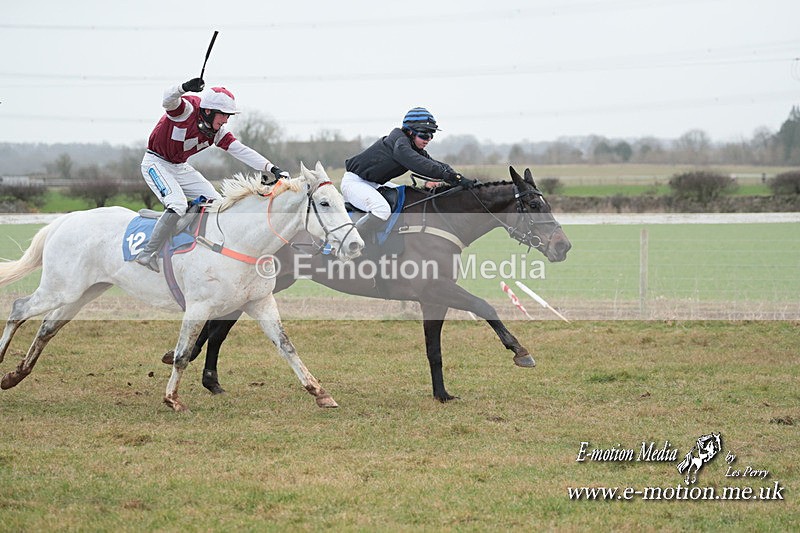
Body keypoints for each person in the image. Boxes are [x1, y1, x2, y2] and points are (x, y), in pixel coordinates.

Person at [135, 77, 290, 272]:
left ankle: (195, 242)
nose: (226, 120)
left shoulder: (217, 132)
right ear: (208, 111)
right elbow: (168, 100)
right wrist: (183, 88)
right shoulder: (185, 111)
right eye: (223, 115)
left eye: (228, 116)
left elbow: (241, 150)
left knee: (216, 202)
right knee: (178, 204)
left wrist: (272, 168)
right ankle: (147, 252)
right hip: (155, 162)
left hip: (179, 166)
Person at [341, 107, 473, 242]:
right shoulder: (400, 145)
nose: (428, 139)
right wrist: (449, 176)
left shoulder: (411, 145)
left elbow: (435, 164)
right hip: (354, 183)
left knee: (408, 197)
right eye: (424, 135)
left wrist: (458, 177)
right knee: (382, 210)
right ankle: (349, 243)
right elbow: (420, 164)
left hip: (374, 184)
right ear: (410, 132)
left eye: (431, 135)